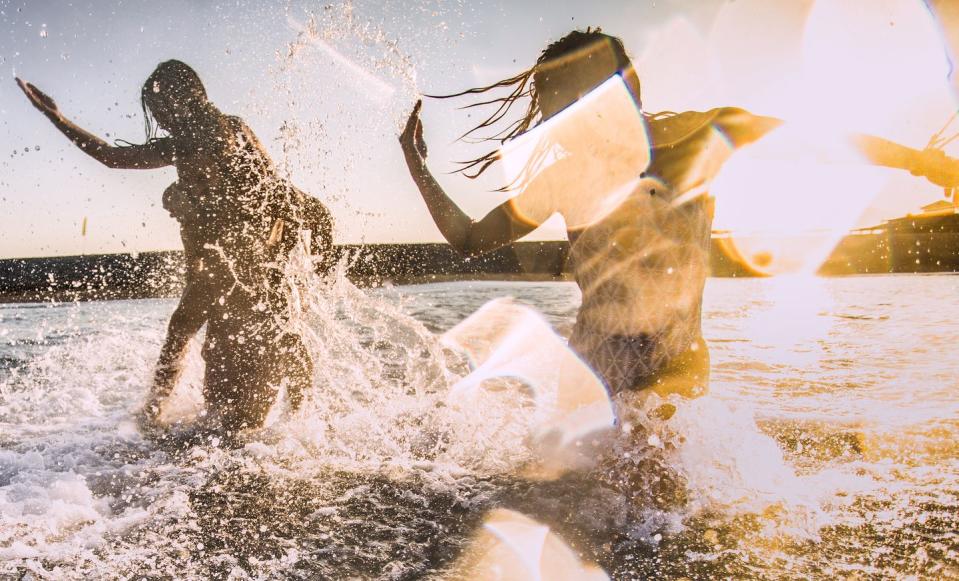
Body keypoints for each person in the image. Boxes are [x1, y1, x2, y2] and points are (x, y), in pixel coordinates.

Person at [400, 28, 959, 406]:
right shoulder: (564, 175)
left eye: (586, 101)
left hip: (679, 362)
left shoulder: (703, 137)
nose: (575, 122)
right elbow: (469, 240)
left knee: (658, 513)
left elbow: (822, 142)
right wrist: (416, 163)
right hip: (596, 366)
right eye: (563, 111)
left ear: (627, 89)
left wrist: (924, 162)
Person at [16, 60, 334, 431]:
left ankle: (154, 415)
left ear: (181, 101)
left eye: (160, 109)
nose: (160, 119)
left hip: (234, 270)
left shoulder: (194, 142)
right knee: (268, 341)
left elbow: (112, 157)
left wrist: (56, 117)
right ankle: (303, 426)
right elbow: (277, 192)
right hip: (255, 269)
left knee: (198, 344)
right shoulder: (232, 129)